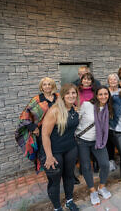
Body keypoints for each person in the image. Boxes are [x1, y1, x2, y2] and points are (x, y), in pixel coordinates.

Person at [41, 83, 80, 211]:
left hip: (70, 148)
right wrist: (49, 156)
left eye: (73, 93)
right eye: (68, 93)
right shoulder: (55, 110)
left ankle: (69, 201)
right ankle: (57, 207)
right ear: (62, 95)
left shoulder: (75, 108)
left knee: (69, 176)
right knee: (55, 180)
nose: (71, 95)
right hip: (54, 151)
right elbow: (45, 134)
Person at [76, 86, 112, 205]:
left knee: (105, 164)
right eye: (100, 94)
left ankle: (101, 187)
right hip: (83, 140)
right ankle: (92, 191)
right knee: (86, 167)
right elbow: (78, 119)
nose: (103, 97)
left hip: (98, 141)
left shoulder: (108, 108)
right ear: (96, 95)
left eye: (105, 94)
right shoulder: (87, 105)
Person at [17, 77, 59, 173]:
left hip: (59, 129)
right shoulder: (37, 99)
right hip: (43, 131)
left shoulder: (58, 97)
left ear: (53, 85)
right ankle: (50, 172)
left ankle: (62, 171)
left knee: (59, 151)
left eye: (49, 84)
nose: (47, 86)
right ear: (41, 87)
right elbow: (24, 115)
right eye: (44, 84)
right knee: (45, 153)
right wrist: (33, 127)